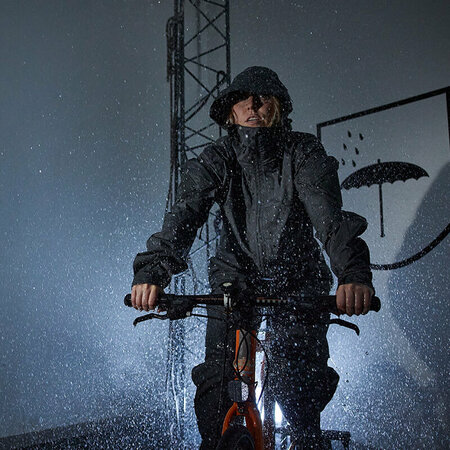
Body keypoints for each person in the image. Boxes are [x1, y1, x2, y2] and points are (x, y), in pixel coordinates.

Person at [130, 66, 374, 449]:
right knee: (218, 387)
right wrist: (153, 271)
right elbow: (186, 213)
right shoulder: (219, 157)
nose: (254, 105)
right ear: (230, 112)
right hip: (235, 279)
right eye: (244, 98)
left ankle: (308, 438)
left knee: (299, 386)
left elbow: (330, 220)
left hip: (298, 279)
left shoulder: (302, 152)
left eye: (264, 98)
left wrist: (352, 274)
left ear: (279, 107)